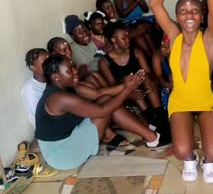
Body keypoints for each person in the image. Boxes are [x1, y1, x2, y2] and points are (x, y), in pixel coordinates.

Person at [150, 0, 213, 183]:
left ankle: (207, 162)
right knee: (182, 152)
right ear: (177, 17)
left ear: (201, 16)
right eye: (183, 11)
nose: (189, 14)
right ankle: (191, 159)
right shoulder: (173, 35)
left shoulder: (209, 38)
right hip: (180, 100)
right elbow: (154, 3)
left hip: (206, 100)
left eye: (194, 10)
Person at [35, 55, 165, 170]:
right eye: (70, 70)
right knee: (108, 108)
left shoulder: (63, 87)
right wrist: (127, 90)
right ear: (56, 77)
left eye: (73, 67)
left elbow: (99, 94)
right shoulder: (60, 98)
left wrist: (127, 86)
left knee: (105, 100)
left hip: (69, 136)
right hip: (62, 153)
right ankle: (152, 137)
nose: (75, 72)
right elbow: (103, 112)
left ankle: (151, 135)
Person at [98, 22, 170, 138]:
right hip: (125, 94)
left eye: (127, 36)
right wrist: (129, 93)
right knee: (130, 79)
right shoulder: (104, 62)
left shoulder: (136, 52)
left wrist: (153, 83)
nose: (128, 40)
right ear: (114, 40)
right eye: (123, 38)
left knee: (143, 76)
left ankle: (159, 115)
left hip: (146, 89)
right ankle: (151, 118)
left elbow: (149, 72)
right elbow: (112, 86)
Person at [21, 48, 49, 129]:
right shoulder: (30, 90)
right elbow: (43, 118)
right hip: (47, 129)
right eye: (45, 62)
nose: (50, 64)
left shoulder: (52, 78)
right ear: (32, 67)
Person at [152, 34, 173, 109]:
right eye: (162, 44)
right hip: (166, 86)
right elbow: (159, 79)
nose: (162, 49)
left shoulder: (183, 56)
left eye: (166, 47)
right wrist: (170, 86)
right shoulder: (157, 56)